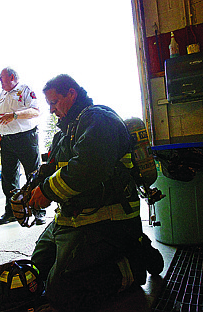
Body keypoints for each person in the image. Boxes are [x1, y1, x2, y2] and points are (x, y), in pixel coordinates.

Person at [27, 74, 163, 312]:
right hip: (71, 219)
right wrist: (31, 191)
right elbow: (51, 167)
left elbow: (88, 167)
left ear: (72, 94)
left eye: (55, 102)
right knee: (36, 271)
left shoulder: (99, 119)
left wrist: (47, 191)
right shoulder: (66, 131)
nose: (51, 110)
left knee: (62, 291)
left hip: (108, 220)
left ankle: (135, 262)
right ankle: (123, 254)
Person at [0, 67, 45, 225]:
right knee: (8, 178)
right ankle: (11, 212)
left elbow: (36, 111)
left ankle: (39, 212)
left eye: (1, 77)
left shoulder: (25, 90)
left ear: (11, 77)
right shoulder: (2, 94)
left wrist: (15, 115)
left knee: (33, 174)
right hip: (7, 140)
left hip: (25, 138)